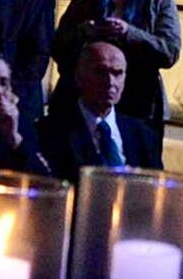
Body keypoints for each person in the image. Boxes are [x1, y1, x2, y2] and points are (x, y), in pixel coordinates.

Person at [52, 0, 181, 132]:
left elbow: (170, 52)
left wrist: (130, 33)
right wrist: (86, 31)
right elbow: (57, 46)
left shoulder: (158, 0)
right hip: (83, 100)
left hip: (139, 103)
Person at [37, 40, 163, 178]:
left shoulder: (144, 136)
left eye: (117, 73)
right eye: (100, 72)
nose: (110, 82)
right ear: (79, 77)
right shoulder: (49, 133)